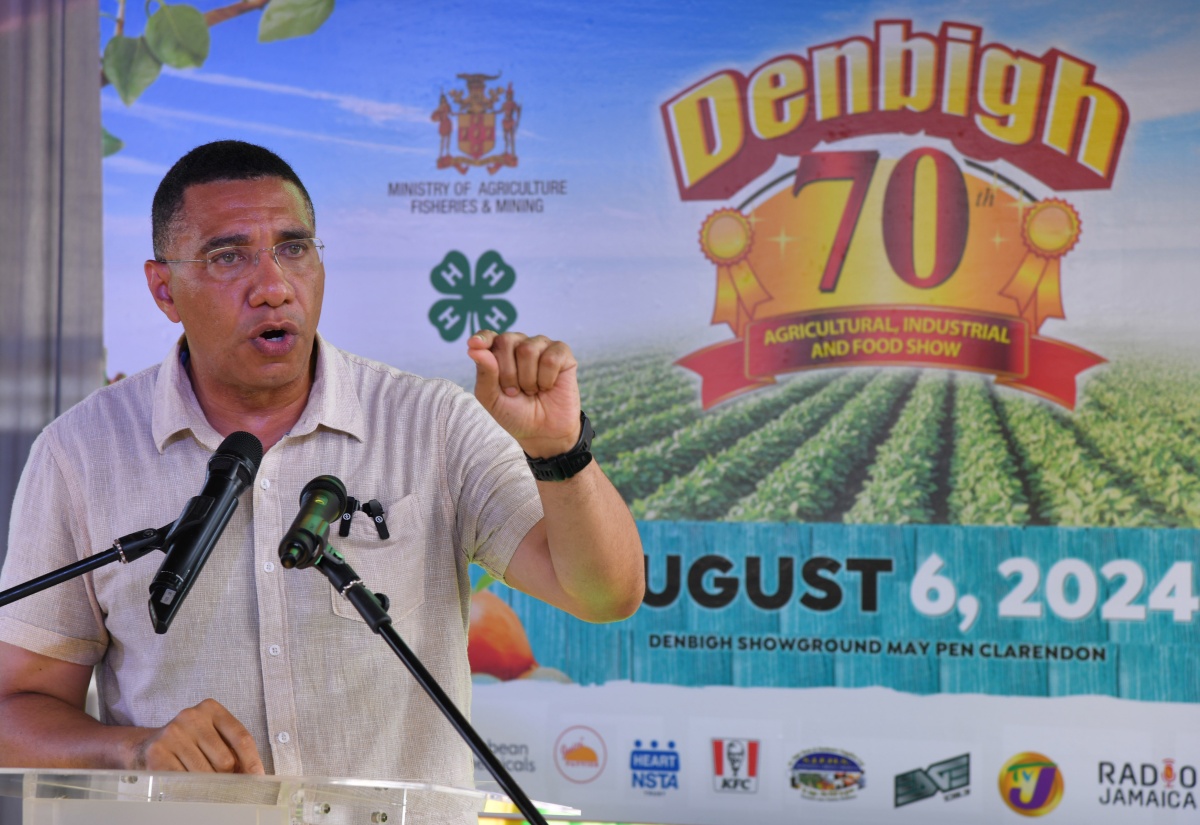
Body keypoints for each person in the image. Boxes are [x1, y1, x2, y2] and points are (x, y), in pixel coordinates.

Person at [0, 141, 644, 787]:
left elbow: (605, 592)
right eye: (229, 256)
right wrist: (134, 751)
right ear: (164, 288)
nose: (274, 286)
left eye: (294, 248)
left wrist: (559, 452)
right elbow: (16, 709)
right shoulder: (80, 453)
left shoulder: (432, 423)